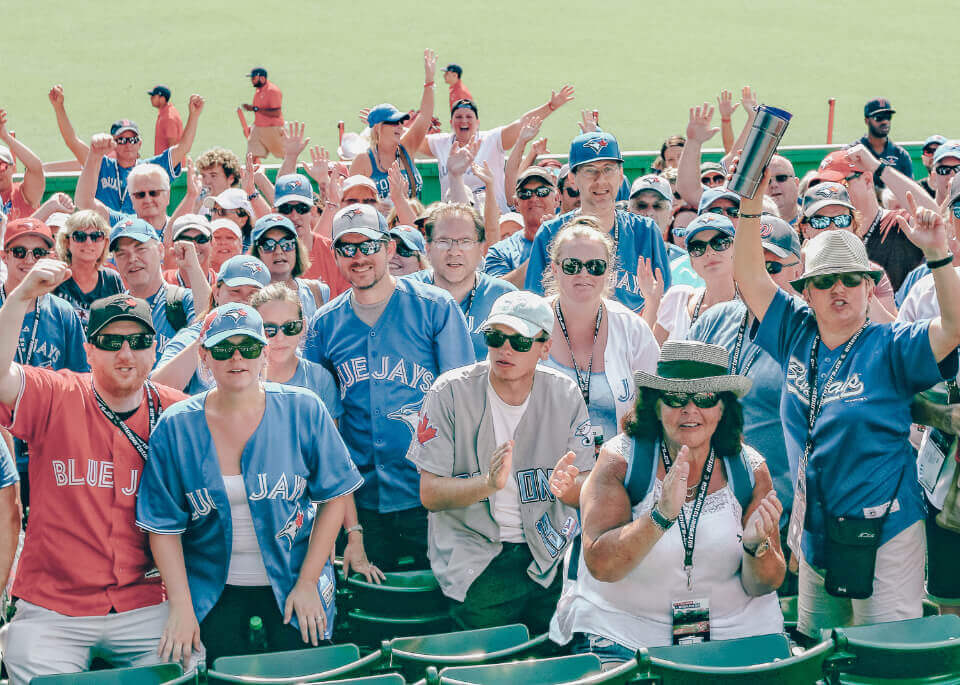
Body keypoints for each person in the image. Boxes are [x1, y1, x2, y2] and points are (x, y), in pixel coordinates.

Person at [734, 167, 960, 639]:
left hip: (886, 530)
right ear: (807, 292)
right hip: (816, 532)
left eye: (851, 279)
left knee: (882, 654)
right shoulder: (794, 331)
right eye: (826, 280)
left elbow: (953, 330)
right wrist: (750, 206)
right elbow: (751, 278)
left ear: (867, 286)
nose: (839, 289)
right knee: (823, 650)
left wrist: (938, 255)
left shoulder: (891, 345)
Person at [137, 302, 362, 667]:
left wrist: (307, 582)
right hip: (211, 588)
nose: (237, 358)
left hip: (293, 577)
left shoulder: (304, 408)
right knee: (217, 672)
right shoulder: (176, 425)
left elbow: (335, 496)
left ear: (264, 354)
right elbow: (163, 526)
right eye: (223, 349)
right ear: (204, 358)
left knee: (300, 670)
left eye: (250, 347)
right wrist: (181, 607)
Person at [551, 341, 785, 660]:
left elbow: (766, 583)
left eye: (705, 397)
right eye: (675, 397)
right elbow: (601, 566)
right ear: (656, 405)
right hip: (626, 637)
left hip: (736, 634)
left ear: (723, 407)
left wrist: (756, 546)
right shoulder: (619, 462)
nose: (690, 410)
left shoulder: (750, 468)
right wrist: (659, 517)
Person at [0, 285, 186, 684]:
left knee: (187, 665)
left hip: (146, 601)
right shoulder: (57, 393)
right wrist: (17, 300)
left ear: (155, 348)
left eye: (138, 341)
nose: (126, 353)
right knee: (25, 659)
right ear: (88, 351)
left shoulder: (176, 412)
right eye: (110, 341)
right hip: (55, 604)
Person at [408, 291, 594, 631]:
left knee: (563, 658)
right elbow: (429, 493)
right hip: (477, 553)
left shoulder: (565, 393)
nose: (505, 349)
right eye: (495, 337)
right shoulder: (449, 391)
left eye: (520, 341)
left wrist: (569, 489)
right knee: (491, 663)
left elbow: (585, 484)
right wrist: (487, 484)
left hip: (549, 551)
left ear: (544, 348)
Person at [303, 204, 473, 574]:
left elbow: (466, 402)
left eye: (369, 245)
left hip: (428, 493)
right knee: (371, 610)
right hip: (360, 502)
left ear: (390, 249)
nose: (359, 257)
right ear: (335, 255)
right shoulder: (324, 324)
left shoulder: (435, 307)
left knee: (444, 598)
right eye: (347, 248)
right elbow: (318, 417)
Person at [688, 214, 804, 591]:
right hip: (709, 508)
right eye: (752, 265)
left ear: (797, 270)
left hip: (777, 511)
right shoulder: (715, 319)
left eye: (772, 267)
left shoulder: (808, 329)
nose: (760, 277)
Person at [541, 218, 659, 448]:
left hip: (614, 473)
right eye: (572, 265)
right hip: (543, 470)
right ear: (555, 269)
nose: (584, 274)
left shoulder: (631, 328)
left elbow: (656, 399)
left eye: (595, 266)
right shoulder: (530, 323)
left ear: (608, 272)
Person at [525, 132, 671, 313]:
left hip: (634, 337)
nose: (600, 180)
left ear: (620, 174)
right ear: (572, 178)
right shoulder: (550, 233)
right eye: (590, 170)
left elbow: (664, 307)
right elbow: (536, 309)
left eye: (608, 169)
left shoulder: (646, 231)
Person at [2, 218, 90, 502]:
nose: (29, 260)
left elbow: (80, 384)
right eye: (19, 252)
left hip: (48, 445)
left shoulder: (64, 312)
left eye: (38, 253)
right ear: (4, 256)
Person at [48, 85, 203, 213]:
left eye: (132, 139)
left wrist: (194, 116)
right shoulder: (101, 164)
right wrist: (59, 107)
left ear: (140, 143)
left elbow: (183, 147)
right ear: (113, 144)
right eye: (121, 140)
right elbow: (72, 141)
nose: (128, 144)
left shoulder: (151, 169)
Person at [421, 85, 575, 211]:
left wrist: (551, 106)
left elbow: (522, 124)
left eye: (469, 117)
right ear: (451, 122)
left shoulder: (492, 139)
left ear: (478, 122)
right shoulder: (440, 143)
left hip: (496, 217)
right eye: (459, 117)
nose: (464, 121)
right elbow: (409, 140)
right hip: (456, 219)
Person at [407, 203, 516, 360]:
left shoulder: (505, 297)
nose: (454, 251)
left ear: (480, 248)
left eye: (465, 241)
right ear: (428, 248)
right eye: (443, 241)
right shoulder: (404, 293)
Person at [152, 255, 271, 395]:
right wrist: (203, 340)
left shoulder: (281, 334)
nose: (244, 300)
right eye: (235, 291)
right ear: (217, 293)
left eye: (253, 294)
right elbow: (156, 391)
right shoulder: (194, 335)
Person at [815, 147, 928, 291]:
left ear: (868, 180)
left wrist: (879, 168)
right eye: (825, 187)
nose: (832, 193)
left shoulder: (899, 222)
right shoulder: (823, 233)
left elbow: (935, 218)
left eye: (840, 184)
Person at [796, 182, 897, 320]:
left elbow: (891, 332)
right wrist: (807, 271)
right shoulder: (789, 268)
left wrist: (857, 277)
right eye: (821, 221)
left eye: (842, 220)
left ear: (853, 225)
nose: (833, 228)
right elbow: (791, 328)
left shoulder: (872, 272)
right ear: (805, 229)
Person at [109, 218, 206, 360]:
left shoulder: (184, 300)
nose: (132, 259)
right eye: (121, 253)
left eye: (140, 249)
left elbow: (210, 325)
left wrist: (193, 267)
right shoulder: (112, 312)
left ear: (161, 251)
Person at [351, 50, 438, 200]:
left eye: (400, 122)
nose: (399, 126)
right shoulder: (363, 160)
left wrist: (429, 81)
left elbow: (424, 116)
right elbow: (350, 202)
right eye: (393, 122)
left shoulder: (406, 149)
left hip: (412, 222)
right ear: (378, 128)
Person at [637, 213, 736, 344]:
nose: (709, 252)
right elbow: (647, 354)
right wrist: (652, 302)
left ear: (736, 249)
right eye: (698, 248)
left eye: (720, 243)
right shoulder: (678, 298)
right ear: (691, 262)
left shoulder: (752, 306)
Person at [250, 284, 341, 419]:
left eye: (290, 327)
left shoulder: (320, 379)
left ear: (303, 327)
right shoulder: (242, 379)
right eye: (268, 329)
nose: (280, 338)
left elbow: (330, 437)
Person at [484, 166, 559, 287]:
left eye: (542, 192)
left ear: (556, 199)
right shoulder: (500, 251)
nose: (534, 198)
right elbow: (496, 292)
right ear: (516, 204)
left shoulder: (574, 239)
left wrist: (560, 239)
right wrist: (542, 245)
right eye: (525, 193)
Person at [53, 210, 126, 327]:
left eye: (96, 236)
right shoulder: (56, 277)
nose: (88, 243)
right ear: (67, 242)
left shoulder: (112, 279)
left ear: (105, 242)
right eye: (79, 236)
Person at [249, 214, 328, 322]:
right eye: (268, 245)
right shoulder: (250, 296)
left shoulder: (318, 291)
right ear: (257, 252)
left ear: (297, 249)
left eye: (287, 243)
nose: (278, 251)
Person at [855, 97, 913, 184]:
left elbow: (910, 190)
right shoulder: (853, 152)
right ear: (867, 120)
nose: (885, 122)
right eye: (879, 118)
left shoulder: (901, 155)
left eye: (888, 117)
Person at [0, 109, 44, 221]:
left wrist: (5, 136)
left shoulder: (22, 194)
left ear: (13, 168)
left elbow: (36, 168)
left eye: (2, 166)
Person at [243, 67, 284, 161]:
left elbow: (276, 113)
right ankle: (248, 174)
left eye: (254, 78)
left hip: (272, 128)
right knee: (250, 155)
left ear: (262, 78)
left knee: (286, 155)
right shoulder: (258, 91)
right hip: (258, 129)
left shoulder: (272, 91)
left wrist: (255, 109)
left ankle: (294, 173)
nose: (252, 81)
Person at [148, 85, 183, 156]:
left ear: (162, 99)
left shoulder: (168, 118)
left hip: (169, 165)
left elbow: (172, 147)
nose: (151, 98)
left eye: (154, 96)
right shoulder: (166, 112)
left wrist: (170, 166)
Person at [765, 155, 800, 225]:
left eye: (781, 178)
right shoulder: (745, 225)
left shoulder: (814, 220)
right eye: (766, 180)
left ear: (796, 183)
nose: (774, 185)